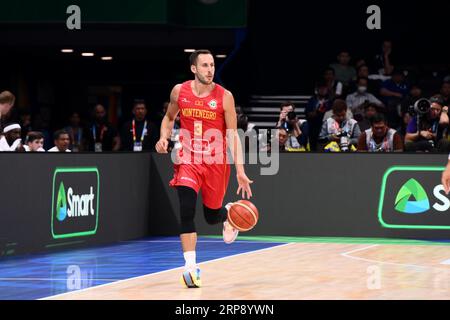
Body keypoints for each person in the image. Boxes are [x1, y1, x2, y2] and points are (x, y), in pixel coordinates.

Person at [155, 49, 253, 288]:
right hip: (188, 158)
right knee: (186, 210)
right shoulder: (180, 91)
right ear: (194, 69)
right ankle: (190, 268)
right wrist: (163, 138)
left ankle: (227, 214)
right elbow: (169, 117)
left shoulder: (224, 96)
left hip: (215, 162)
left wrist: (240, 170)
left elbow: (232, 135)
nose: (210, 70)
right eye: (205, 65)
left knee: (211, 217)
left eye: (212, 65)